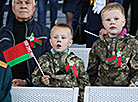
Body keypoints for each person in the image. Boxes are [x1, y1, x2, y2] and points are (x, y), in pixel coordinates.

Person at [32, 23, 90, 102]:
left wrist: (80, 99)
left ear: (70, 42)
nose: (59, 40)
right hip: (49, 98)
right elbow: (34, 78)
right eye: (55, 37)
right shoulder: (43, 59)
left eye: (63, 37)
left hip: (70, 98)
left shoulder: (77, 61)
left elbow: (84, 83)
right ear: (51, 42)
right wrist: (41, 80)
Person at [0, 0, 51, 86]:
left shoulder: (46, 34)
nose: (23, 6)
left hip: (35, 86)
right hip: (4, 85)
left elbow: (50, 66)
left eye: (27, 3)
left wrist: (26, 82)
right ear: (13, 8)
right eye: (19, 3)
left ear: (34, 8)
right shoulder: (2, 34)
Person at [87, 3, 138, 86]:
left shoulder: (132, 43)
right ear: (103, 24)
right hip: (102, 89)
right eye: (108, 20)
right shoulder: (98, 44)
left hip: (127, 89)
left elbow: (136, 70)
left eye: (116, 19)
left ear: (123, 22)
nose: (112, 22)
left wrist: (133, 86)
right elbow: (92, 71)